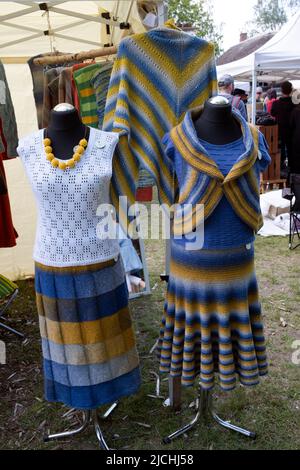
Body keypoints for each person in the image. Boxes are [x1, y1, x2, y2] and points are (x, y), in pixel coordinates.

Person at [271, 81, 295, 168]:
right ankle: (291, 170)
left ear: (281, 90)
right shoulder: (294, 104)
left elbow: (272, 113)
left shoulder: (276, 103)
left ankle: (280, 170)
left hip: (279, 132)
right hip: (292, 132)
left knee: (280, 154)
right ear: (291, 90)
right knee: (292, 153)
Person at [290, 102, 300, 174]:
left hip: (297, 136)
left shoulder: (295, 111)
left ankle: (296, 172)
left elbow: (291, 124)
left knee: (296, 154)